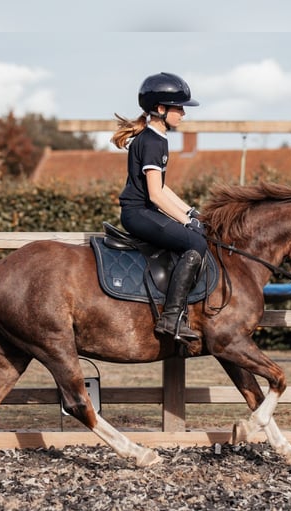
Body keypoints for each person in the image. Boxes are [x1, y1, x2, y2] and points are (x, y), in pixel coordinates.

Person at [111, 72, 207, 343]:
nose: (183, 114)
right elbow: (154, 195)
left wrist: (190, 212)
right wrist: (188, 224)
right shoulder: (153, 141)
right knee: (196, 244)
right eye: (179, 108)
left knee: (197, 234)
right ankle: (171, 317)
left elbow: (163, 188)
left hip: (145, 211)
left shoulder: (155, 138)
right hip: (139, 213)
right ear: (161, 109)